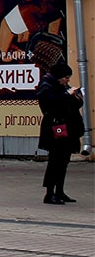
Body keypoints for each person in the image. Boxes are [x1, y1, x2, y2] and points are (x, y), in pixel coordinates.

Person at [36, 60, 83, 205]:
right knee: (55, 161)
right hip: (55, 128)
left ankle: (60, 192)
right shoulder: (47, 86)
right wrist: (66, 95)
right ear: (59, 76)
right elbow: (51, 103)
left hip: (67, 128)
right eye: (66, 77)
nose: (67, 80)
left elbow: (75, 104)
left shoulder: (61, 86)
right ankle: (49, 194)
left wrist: (76, 95)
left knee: (64, 161)